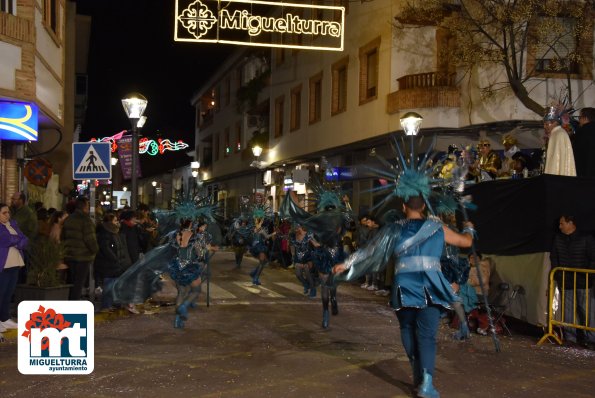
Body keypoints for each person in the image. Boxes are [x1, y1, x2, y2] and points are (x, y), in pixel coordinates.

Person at [333, 195, 474, 397]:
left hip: (404, 286)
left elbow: (369, 250)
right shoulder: (437, 227)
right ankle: (426, 382)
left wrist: (346, 264)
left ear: (403, 206)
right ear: (424, 205)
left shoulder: (394, 228)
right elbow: (465, 242)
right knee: (426, 336)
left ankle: (418, 377)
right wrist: (469, 227)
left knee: (407, 328)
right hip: (431, 286)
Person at [550, 215, 595, 346]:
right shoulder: (558, 239)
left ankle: (591, 339)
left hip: (584, 281)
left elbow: (593, 258)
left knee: (587, 311)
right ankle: (570, 338)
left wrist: (589, 275)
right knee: (568, 311)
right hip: (566, 280)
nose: (560, 226)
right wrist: (558, 275)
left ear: (571, 223)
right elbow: (554, 258)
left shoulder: (586, 239)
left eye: (562, 223)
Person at [168, 219, 210, 328]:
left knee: (181, 292)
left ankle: (177, 320)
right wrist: (207, 250)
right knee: (196, 290)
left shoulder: (175, 235)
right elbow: (200, 254)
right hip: (190, 267)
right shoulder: (194, 236)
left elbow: (171, 250)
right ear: (191, 224)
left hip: (177, 266)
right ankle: (184, 307)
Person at [94, 213, 134, 313]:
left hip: (115, 264)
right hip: (108, 264)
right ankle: (106, 306)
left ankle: (111, 304)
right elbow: (105, 248)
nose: (117, 222)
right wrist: (115, 258)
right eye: (115, 220)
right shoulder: (105, 233)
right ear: (110, 222)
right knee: (109, 285)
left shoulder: (114, 232)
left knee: (113, 285)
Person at [61, 196, 99, 300]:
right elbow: (90, 240)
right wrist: (95, 251)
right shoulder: (86, 221)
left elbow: (63, 237)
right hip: (83, 257)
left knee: (72, 282)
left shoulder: (68, 219)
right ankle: (74, 306)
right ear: (85, 207)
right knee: (79, 283)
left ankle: (70, 302)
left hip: (69, 255)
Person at [0, 203, 28, 335]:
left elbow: (24, 239)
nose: (7, 215)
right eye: (4, 213)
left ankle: (4, 318)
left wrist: (17, 241)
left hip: (15, 263)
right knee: (1, 292)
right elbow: (5, 239)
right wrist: (17, 240)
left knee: (8, 293)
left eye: (8, 212)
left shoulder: (12, 224)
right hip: (3, 265)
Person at [543, 105, 576, 176]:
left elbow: (557, 161)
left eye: (546, 124)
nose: (544, 127)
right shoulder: (555, 134)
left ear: (555, 123)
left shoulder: (559, 134)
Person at [289, 224, 316, 298]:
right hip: (298, 257)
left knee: (308, 274)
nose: (294, 229)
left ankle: (313, 290)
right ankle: (306, 285)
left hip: (308, 257)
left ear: (300, 227)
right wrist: (293, 255)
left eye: (296, 227)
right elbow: (292, 246)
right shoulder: (292, 235)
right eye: (294, 227)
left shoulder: (308, 235)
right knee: (298, 275)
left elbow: (315, 244)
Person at [572, 107, 595, 177]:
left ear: (585, 118)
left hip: (584, 175)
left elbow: (576, 155)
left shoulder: (582, 132)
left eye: (580, 118)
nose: (579, 121)